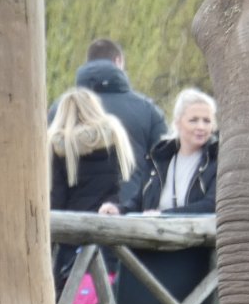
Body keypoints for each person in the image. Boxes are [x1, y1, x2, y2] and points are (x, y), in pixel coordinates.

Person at [100, 88, 218, 304]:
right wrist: (119, 209)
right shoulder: (160, 157)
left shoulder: (217, 159)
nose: (201, 127)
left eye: (207, 120)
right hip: (150, 250)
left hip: (191, 254)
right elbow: (141, 201)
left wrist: (164, 217)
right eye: (194, 120)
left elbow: (211, 205)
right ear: (178, 122)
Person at [48, 87, 136, 303]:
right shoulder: (114, 140)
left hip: (72, 239)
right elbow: (121, 189)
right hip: (108, 235)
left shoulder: (60, 147)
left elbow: (57, 201)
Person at [55, 38, 166, 207]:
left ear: (88, 62)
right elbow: (163, 163)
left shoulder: (60, 111)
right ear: (118, 61)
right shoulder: (148, 110)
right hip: (128, 212)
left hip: (67, 219)